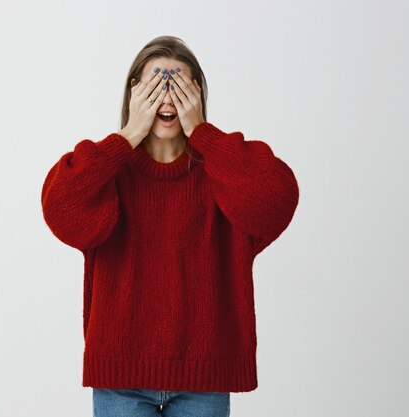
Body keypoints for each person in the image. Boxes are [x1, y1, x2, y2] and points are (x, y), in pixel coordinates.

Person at [40, 35, 299, 417]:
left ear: (197, 93)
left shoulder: (223, 173)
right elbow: (59, 207)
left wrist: (204, 136)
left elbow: (277, 198)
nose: (166, 97)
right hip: (120, 379)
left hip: (204, 379)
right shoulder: (109, 173)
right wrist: (127, 136)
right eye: (155, 85)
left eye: (177, 85)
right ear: (133, 93)